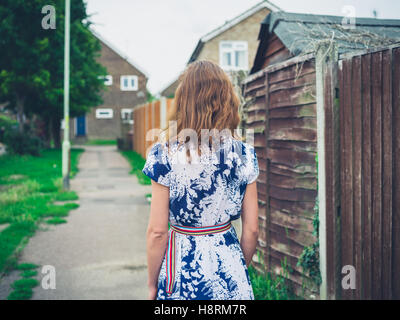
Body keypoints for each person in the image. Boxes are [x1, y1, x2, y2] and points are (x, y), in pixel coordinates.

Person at [142, 60, 259, 300]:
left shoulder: (163, 155)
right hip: (229, 269)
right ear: (228, 101)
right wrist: (236, 268)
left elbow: (157, 232)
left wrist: (152, 284)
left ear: (183, 101)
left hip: (182, 271)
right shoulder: (245, 154)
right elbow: (251, 231)